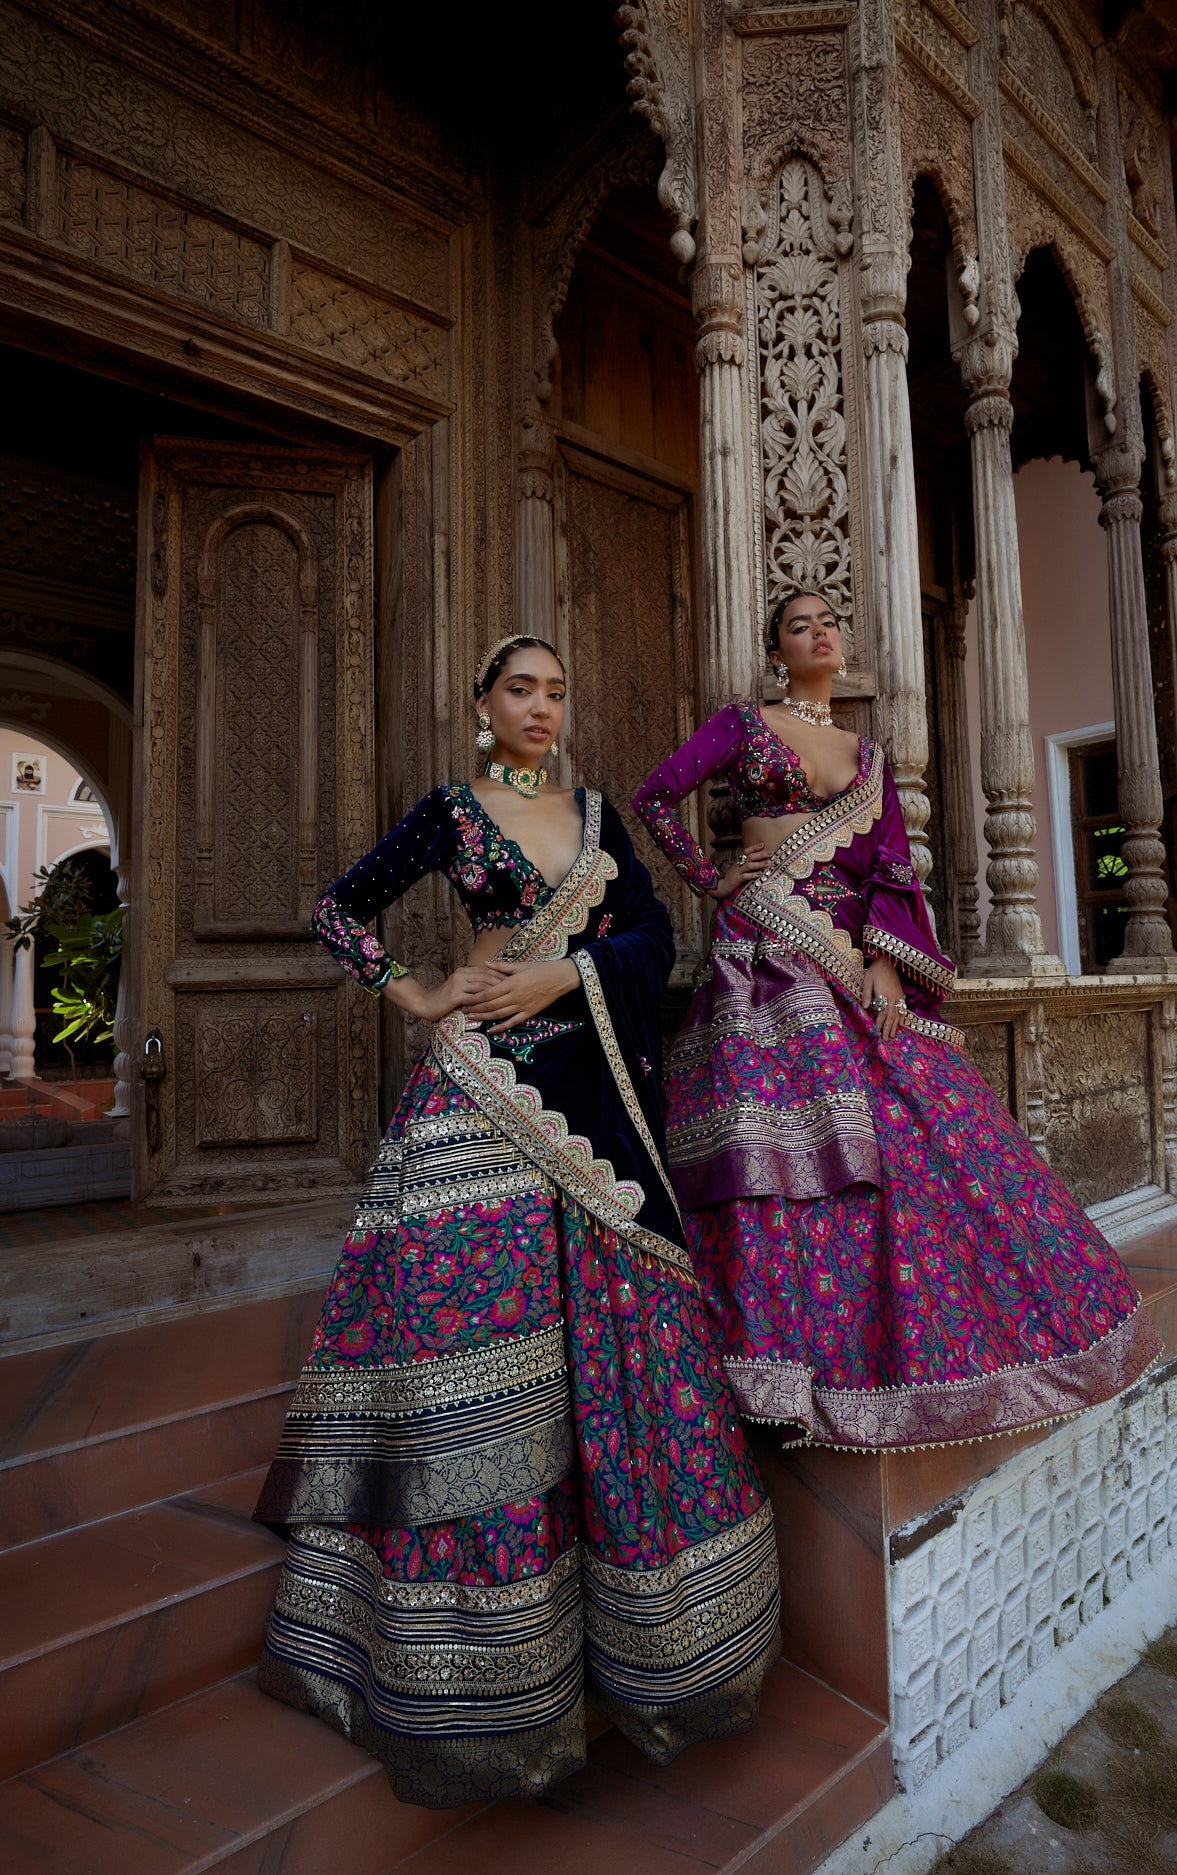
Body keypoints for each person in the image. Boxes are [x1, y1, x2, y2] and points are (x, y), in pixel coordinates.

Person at [255, 636, 780, 1808]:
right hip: (478, 1090)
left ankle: (641, 1648)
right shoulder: (452, 812)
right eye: (519, 689)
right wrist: (417, 991)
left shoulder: (595, 819)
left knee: (615, 1345)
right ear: (483, 705)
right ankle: (474, 1666)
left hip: (589, 1096)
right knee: (468, 1341)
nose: (541, 706)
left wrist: (565, 976)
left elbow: (652, 935)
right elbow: (338, 910)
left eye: (555, 690)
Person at [632, 592, 1162, 1453]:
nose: (818, 632)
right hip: (763, 952)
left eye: (827, 622)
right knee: (775, 1147)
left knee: (920, 1129)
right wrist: (710, 874)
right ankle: (768, 1363)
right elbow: (655, 795)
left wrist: (883, 961)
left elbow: (888, 866)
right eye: (798, 625)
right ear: (776, 651)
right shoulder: (742, 725)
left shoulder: (868, 755)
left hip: (848, 954)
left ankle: (931, 1343)